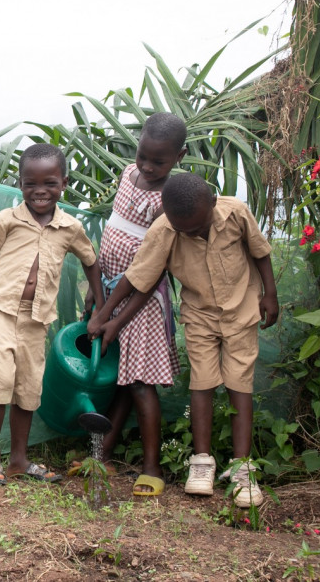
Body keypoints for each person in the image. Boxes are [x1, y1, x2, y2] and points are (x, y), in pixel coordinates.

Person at [88, 173, 278, 507]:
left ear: (213, 205)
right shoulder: (166, 229)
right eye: (185, 231)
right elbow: (138, 277)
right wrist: (105, 319)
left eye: (198, 228)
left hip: (242, 309)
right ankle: (202, 463)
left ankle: (242, 470)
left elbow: (260, 251)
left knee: (239, 383)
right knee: (202, 383)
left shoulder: (234, 212)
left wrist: (270, 294)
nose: (192, 234)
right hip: (199, 314)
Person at [0, 143, 105, 485]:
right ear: (20, 184)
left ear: (64, 183)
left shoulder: (70, 228)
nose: (40, 191)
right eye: (31, 184)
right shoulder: (6, 220)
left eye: (50, 183)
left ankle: (20, 460)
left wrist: (98, 304)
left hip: (36, 318)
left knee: (27, 386)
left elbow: (92, 262)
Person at [74, 113, 186, 498]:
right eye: (143, 156)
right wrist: (97, 294)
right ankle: (101, 455)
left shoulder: (166, 200)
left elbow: (149, 271)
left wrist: (114, 319)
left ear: (179, 156)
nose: (148, 167)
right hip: (109, 291)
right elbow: (113, 234)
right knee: (121, 381)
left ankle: (152, 468)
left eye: (159, 161)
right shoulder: (126, 175)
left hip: (141, 303)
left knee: (139, 383)